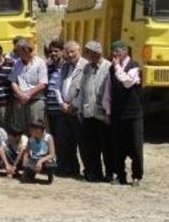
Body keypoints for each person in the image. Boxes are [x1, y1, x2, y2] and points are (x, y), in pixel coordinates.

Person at [73, 40, 113, 183]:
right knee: (91, 146)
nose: (87, 55)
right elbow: (82, 89)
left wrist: (108, 112)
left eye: (88, 53)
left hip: (102, 114)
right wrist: (79, 109)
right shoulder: (87, 68)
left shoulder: (109, 67)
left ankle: (109, 173)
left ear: (96, 53)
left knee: (106, 146)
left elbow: (110, 92)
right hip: (88, 112)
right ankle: (93, 172)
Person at [109, 40, 144, 187]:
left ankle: (136, 176)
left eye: (118, 51)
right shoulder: (112, 69)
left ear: (125, 51)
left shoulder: (134, 66)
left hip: (133, 113)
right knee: (118, 146)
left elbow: (127, 82)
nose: (115, 54)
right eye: (114, 51)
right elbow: (108, 89)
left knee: (135, 146)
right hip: (118, 113)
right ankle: (119, 175)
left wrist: (117, 66)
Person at [8, 39, 48, 134]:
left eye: (18, 51)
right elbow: (13, 81)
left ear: (25, 50)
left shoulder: (40, 62)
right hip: (20, 101)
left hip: (35, 101)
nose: (16, 53)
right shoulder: (17, 64)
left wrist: (28, 94)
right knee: (20, 129)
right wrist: (20, 94)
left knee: (36, 129)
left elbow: (43, 83)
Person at [57, 40, 84, 178]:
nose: (70, 54)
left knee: (81, 141)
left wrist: (74, 105)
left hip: (77, 110)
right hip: (64, 109)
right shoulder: (64, 66)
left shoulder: (85, 66)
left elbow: (85, 89)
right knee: (66, 141)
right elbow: (58, 85)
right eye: (67, 52)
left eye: (73, 51)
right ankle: (71, 168)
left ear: (79, 51)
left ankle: (89, 170)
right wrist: (61, 103)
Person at [19, 119, 57, 184]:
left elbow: (52, 154)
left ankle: (50, 175)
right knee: (25, 177)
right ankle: (31, 174)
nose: (31, 130)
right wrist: (24, 161)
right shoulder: (31, 138)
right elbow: (27, 152)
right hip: (34, 158)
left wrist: (40, 161)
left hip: (46, 159)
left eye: (33, 129)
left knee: (50, 165)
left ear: (39, 130)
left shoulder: (48, 137)